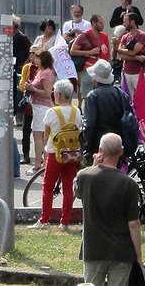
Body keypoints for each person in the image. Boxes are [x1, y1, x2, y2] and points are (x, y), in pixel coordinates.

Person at [76, 133, 142, 285]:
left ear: (100, 150)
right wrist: (138, 255)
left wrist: (92, 166)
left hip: (93, 249)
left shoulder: (85, 176)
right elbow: (134, 223)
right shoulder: (129, 184)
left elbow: (77, 192)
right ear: (121, 151)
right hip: (121, 251)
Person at [31, 80, 81, 229]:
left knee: (48, 186)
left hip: (55, 152)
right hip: (72, 154)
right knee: (67, 188)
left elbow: (46, 134)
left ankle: (44, 219)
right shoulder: (76, 111)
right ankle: (65, 222)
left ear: (58, 94)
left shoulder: (52, 112)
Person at [80, 60, 124, 163]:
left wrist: (86, 146)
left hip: (99, 143)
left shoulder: (92, 96)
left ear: (95, 79)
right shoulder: (120, 94)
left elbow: (89, 124)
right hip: (118, 142)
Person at [71, 15, 110, 100]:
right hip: (88, 70)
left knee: (101, 97)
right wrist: (89, 52)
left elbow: (107, 54)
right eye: (100, 23)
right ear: (93, 23)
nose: (103, 25)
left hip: (102, 70)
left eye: (103, 23)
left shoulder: (104, 36)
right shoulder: (84, 36)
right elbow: (72, 51)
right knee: (88, 96)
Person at [116, 13, 145, 92]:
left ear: (132, 22)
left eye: (125, 21)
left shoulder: (142, 35)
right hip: (126, 72)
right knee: (127, 98)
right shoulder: (125, 36)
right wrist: (137, 57)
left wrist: (121, 50)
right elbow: (121, 56)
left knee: (142, 97)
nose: (124, 24)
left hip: (139, 73)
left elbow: (133, 52)